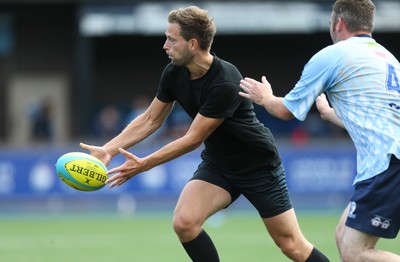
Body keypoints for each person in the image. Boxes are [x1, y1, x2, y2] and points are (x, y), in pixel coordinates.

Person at [80, 6, 329, 262]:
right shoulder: (174, 71)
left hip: (258, 166)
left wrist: (144, 165)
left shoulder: (225, 81)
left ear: (193, 44)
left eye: (171, 39)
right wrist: (108, 148)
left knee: (291, 246)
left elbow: (192, 139)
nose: (165, 45)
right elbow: (151, 119)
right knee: (184, 222)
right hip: (220, 164)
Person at [239, 0, 400, 261]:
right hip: (391, 161)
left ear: (338, 23)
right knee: (342, 235)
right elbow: (380, 120)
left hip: (388, 164)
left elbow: (285, 111)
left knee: (355, 253)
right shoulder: (387, 58)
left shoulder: (333, 55)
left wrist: (264, 96)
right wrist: (329, 114)